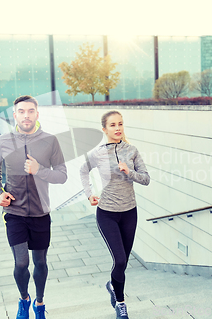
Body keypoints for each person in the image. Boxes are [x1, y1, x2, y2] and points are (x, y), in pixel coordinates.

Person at [0, 95, 67, 319]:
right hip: (14, 213)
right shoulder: (2, 141)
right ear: (15, 115)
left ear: (37, 114)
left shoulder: (50, 141)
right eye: (21, 111)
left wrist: (39, 170)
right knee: (21, 262)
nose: (26, 115)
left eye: (30, 111)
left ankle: (39, 304)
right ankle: (24, 299)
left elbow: (62, 176)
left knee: (40, 262)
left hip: (41, 212)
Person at [79, 110, 150, 319]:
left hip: (129, 213)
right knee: (119, 261)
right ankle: (121, 303)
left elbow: (146, 179)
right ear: (104, 129)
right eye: (112, 125)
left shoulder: (132, 151)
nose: (118, 128)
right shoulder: (98, 153)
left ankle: (112, 285)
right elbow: (83, 170)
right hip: (107, 214)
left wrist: (130, 171)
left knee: (124, 263)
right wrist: (89, 194)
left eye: (120, 124)